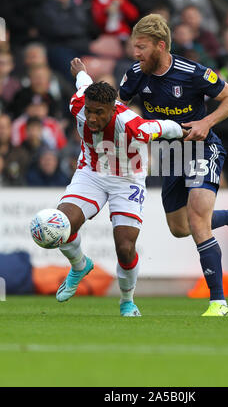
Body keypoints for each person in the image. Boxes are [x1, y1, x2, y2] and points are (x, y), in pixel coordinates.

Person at [119, 13, 228, 316]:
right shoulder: (136, 74)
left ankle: (218, 303)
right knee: (180, 228)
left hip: (202, 149)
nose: (135, 53)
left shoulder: (192, 72)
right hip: (171, 158)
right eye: (134, 47)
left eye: (141, 47)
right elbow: (118, 108)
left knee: (196, 220)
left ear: (161, 45)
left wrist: (206, 121)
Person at [54, 57, 187, 317]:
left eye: (98, 113)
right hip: (91, 172)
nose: (91, 118)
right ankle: (80, 266)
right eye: (89, 111)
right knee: (61, 225)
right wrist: (81, 71)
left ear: (112, 110)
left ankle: (127, 300)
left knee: (125, 247)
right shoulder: (79, 104)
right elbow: (84, 83)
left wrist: (188, 130)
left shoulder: (132, 125)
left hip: (127, 180)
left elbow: (165, 127)